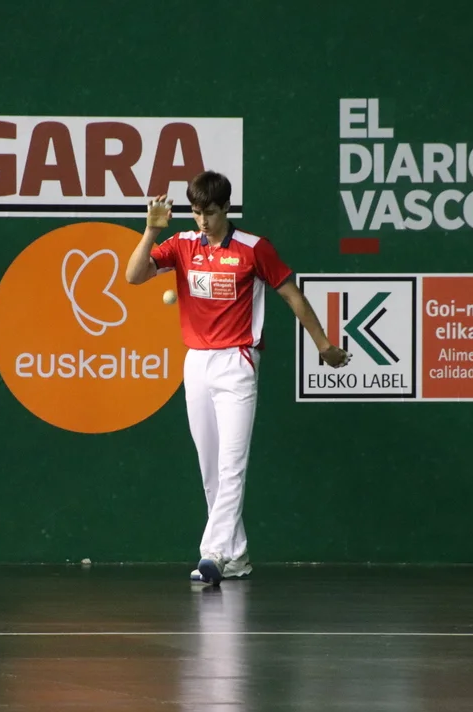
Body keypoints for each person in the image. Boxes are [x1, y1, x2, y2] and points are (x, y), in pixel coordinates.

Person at [125, 170, 350, 585]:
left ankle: (212, 553)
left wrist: (323, 344)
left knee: (231, 466)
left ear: (227, 207)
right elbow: (134, 276)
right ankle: (238, 555)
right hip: (196, 363)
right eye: (196, 213)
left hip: (238, 362)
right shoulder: (183, 244)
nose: (203, 221)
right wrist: (151, 230)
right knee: (210, 467)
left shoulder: (253, 248)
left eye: (210, 213)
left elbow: (292, 295)